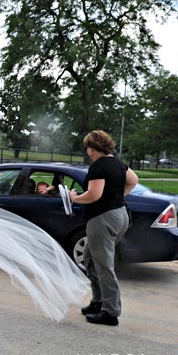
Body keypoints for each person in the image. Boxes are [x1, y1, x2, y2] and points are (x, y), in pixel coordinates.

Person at [69, 130, 138, 327]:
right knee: (90, 258)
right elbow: (133, 180)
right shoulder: (117, 162)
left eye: (87, 148)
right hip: (120, 215)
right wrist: (117, 197)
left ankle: (111, 312)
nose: (87, 152)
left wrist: (74, 198)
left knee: (104, 264)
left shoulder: (99, 166)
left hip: (103, 219)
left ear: (91, 149)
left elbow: (93, 195)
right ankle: (98, 302)